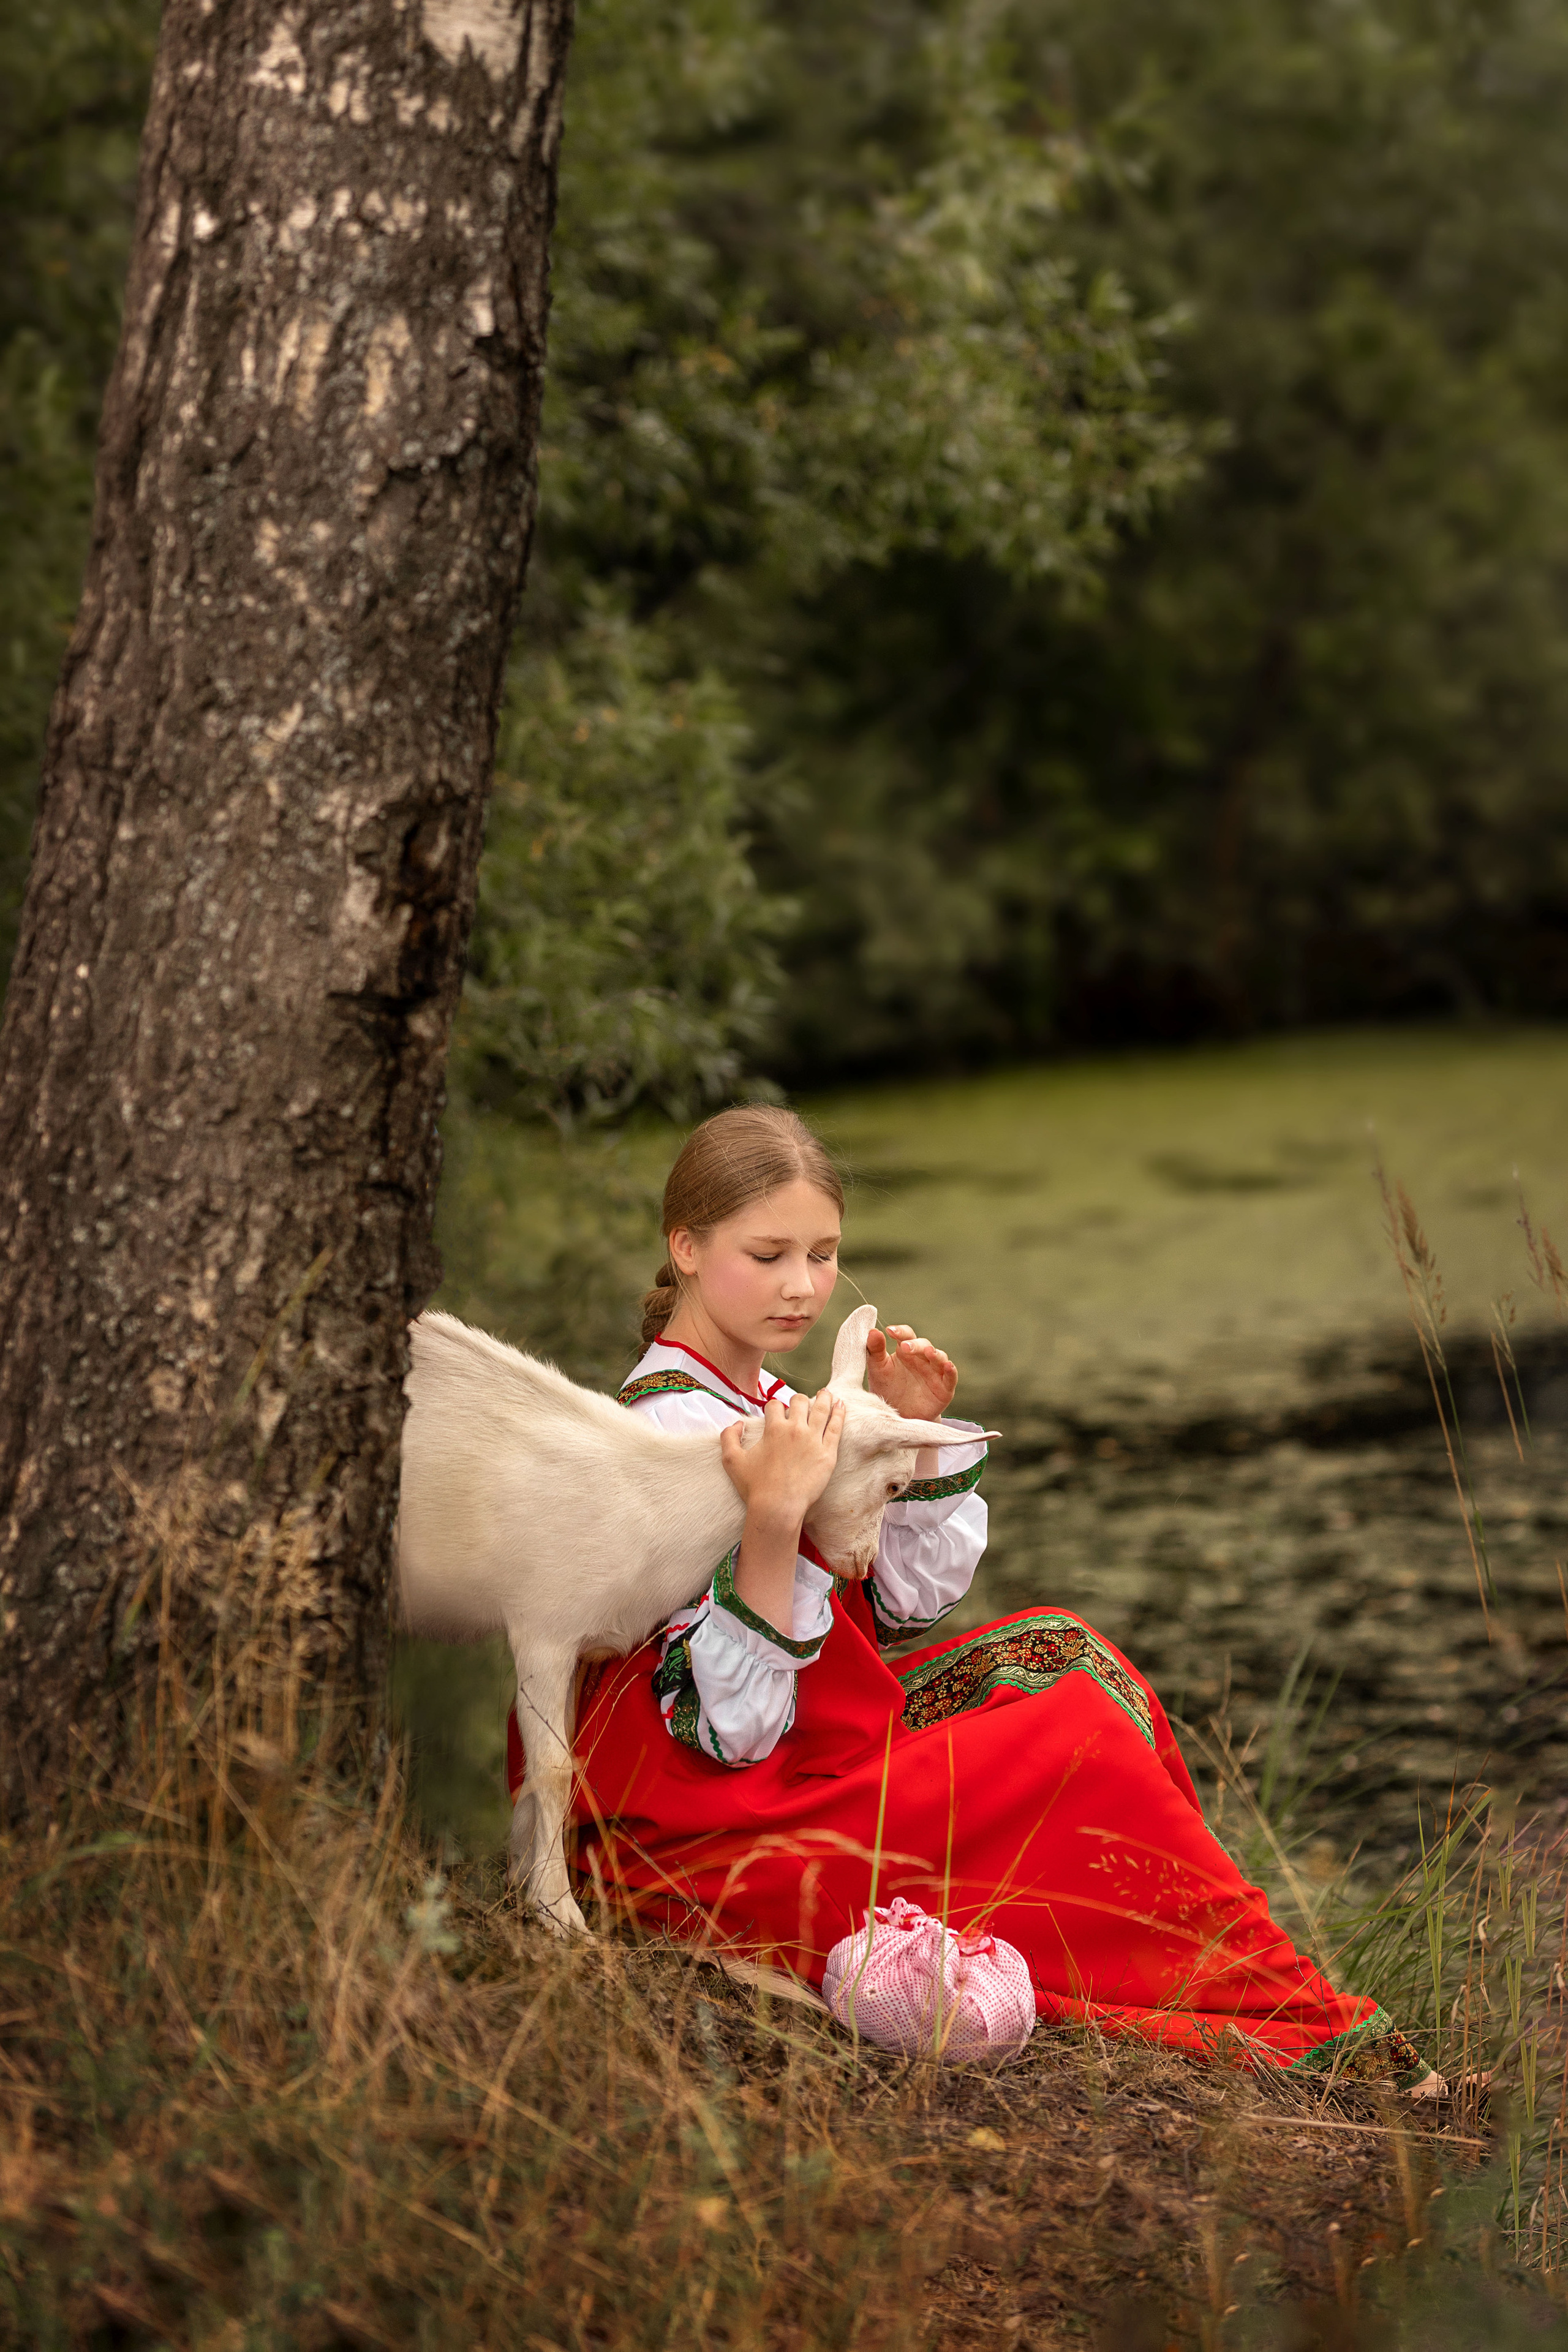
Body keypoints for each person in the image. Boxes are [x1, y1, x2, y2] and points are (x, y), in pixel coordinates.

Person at [508, 1104, 1434, 2087]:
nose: (802, 1287)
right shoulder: (661, 1441)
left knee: (1066, 1654)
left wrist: (908, 1435)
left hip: (799, 1761)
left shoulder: (772, 1404)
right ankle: (1304, 2030)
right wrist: (775, 1522)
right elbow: (724, 1729)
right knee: (1076, 1740)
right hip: (699, 1837)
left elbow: (888, 1616)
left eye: (823, 1255)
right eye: (767, 1253)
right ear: (685, 1246)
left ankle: (1228, 1972)